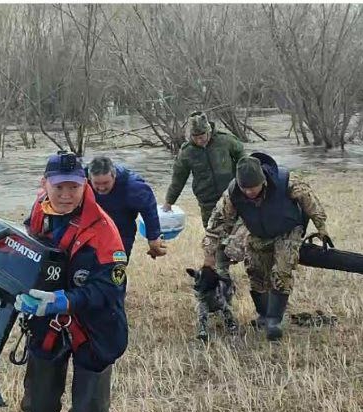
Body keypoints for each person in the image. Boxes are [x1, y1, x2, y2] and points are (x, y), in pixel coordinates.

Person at [15, 151, 128, 412]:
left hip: (93, 328)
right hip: (45, 326)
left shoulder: (104, 230)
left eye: (74, 187)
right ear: (44, 184)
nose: (66, 194)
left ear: (84, 186)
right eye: (59, 186)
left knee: (90, 410)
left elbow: (111, 288)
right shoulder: (38, 214)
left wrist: (65, 301)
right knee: (39, 407)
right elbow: (24, 256)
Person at [202, 152, 330, 340]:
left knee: (281, 271)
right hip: (257, 233)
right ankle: (263, 314)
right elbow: (217, 224)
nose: (249, 192)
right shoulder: (232, 193)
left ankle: (274, 320)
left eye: (253, 188)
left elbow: (310, 202)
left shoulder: (286, 180)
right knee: (256, 273)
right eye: (245, 188)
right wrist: (209, 255)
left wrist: (321, 227)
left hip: (288, 230)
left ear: (263, 181)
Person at [163, 111, 245, 276]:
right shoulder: (186, 152)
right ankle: (220, 272)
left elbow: (244, 159)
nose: (201, 140)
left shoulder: (226, 140)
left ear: (209, 131)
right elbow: (178, 179)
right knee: (213, 237)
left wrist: (244, 182)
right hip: (207, 201)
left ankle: (240, 263)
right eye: (196, 137)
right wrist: (169, 202)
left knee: (237, 234)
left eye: (203, 135)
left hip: (232, 197)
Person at [86, 156, 167, 260]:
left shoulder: (133, 186)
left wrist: (153, 237)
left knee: (117, 267)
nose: (101, 187)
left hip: (122, 232)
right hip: (92, 230)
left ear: (114, 176)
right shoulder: (81, 182)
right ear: (89, 178)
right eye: (97, 183)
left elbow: (149, 210)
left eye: (106, 183)